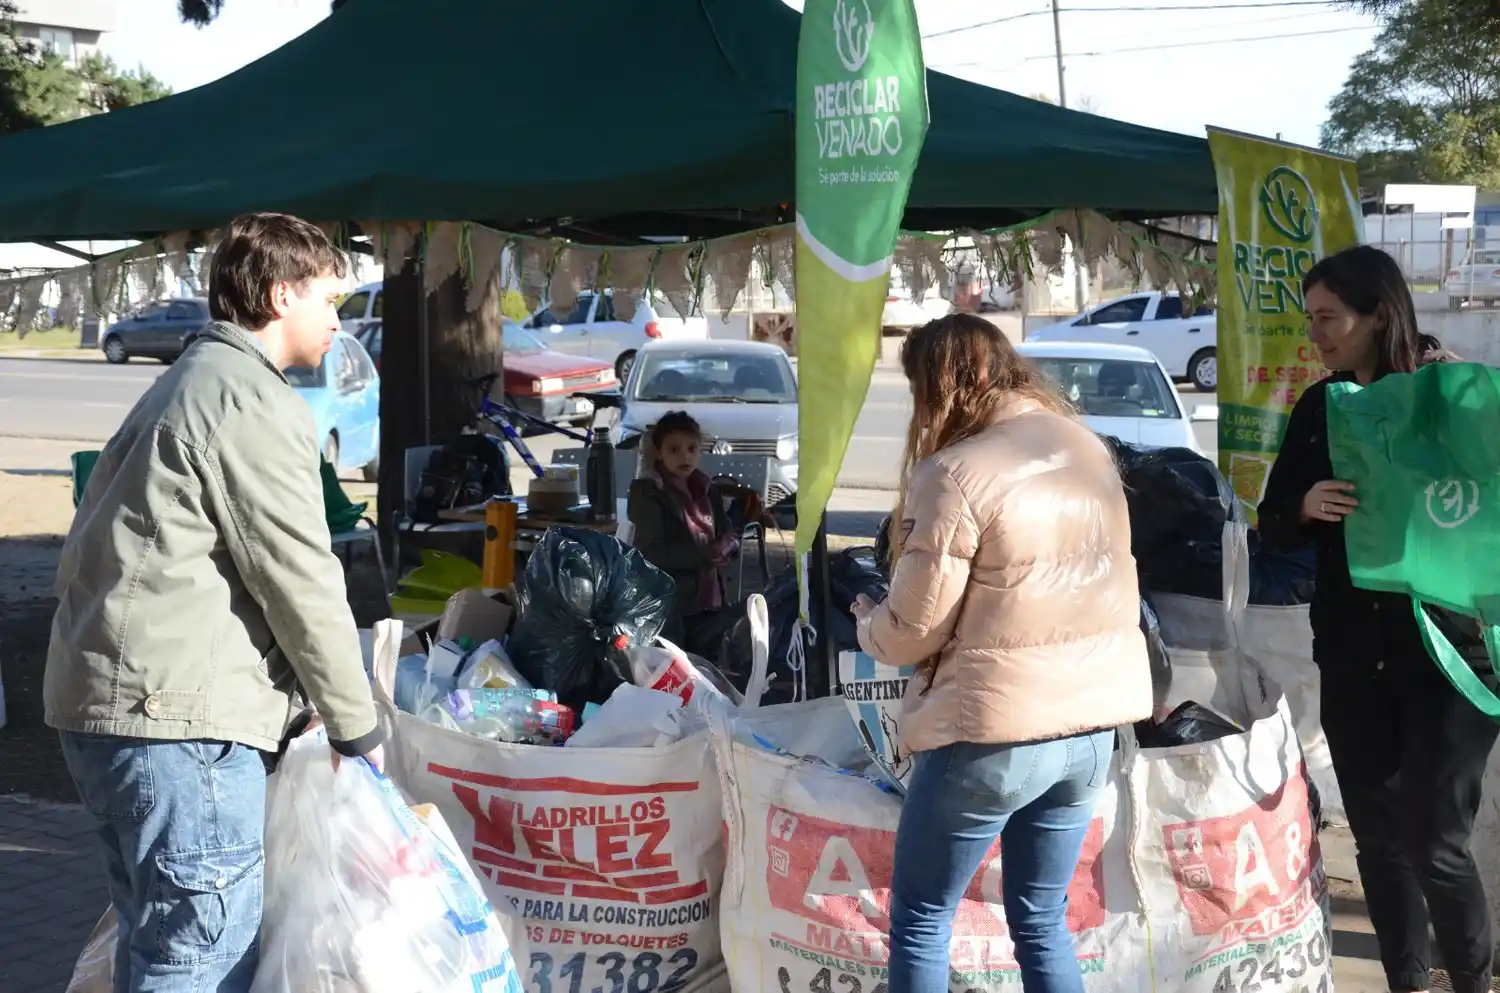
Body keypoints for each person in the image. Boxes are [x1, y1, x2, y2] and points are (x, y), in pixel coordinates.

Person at [45, 212, 386, 993]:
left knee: (160, 943)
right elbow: (300, 578)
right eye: (328, 299)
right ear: (280, 294)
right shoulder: (247, 400)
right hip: (177, 726)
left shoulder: (193, 381)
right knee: (199, 954)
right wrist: (357, 725)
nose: (338, 320)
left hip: (122, 710)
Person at [852, 313, 1152, 993]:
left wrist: (870, 624)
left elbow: (913, 629)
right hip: (1089, 730)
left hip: (992, 731)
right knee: (1042, 919)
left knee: (922, 919)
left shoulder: (955, 471)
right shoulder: (1086, 447)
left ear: (939, 385)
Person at [1258, 243, 1493, 993]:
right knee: (1379, 840)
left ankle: (1474, 979)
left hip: (1448, 655)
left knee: (1438, 844)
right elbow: (1271, 521)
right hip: (1354, 654)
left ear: (1379, 315)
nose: (1315, 334)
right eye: (1310, 318)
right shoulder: (1320, 407)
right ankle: (1408, 980)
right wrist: (1303, 504)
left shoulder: (1456, 398)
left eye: (1329, 317)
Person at [627, 411, 738, 645]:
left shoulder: (707, 488)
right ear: (658, 452)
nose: (684, 456)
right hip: (671, 605)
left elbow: (726, 531)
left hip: (711, 599)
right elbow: (651, 552)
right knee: (677, 662)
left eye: (691, 448)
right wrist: (704, 556)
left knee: (710, 659)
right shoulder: (648, 492)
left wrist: (726, 549)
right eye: (674, 450)